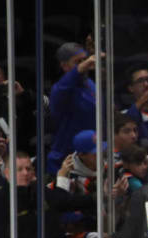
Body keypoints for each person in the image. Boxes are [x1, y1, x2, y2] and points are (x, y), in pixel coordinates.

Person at [48, 42, 99, 174]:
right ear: (64, 66)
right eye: (78, 62)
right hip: (66, 156)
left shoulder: (90, 84)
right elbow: (64, 85)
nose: (85, 64)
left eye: (85, 60)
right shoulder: (59, 89)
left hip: (91, 153)